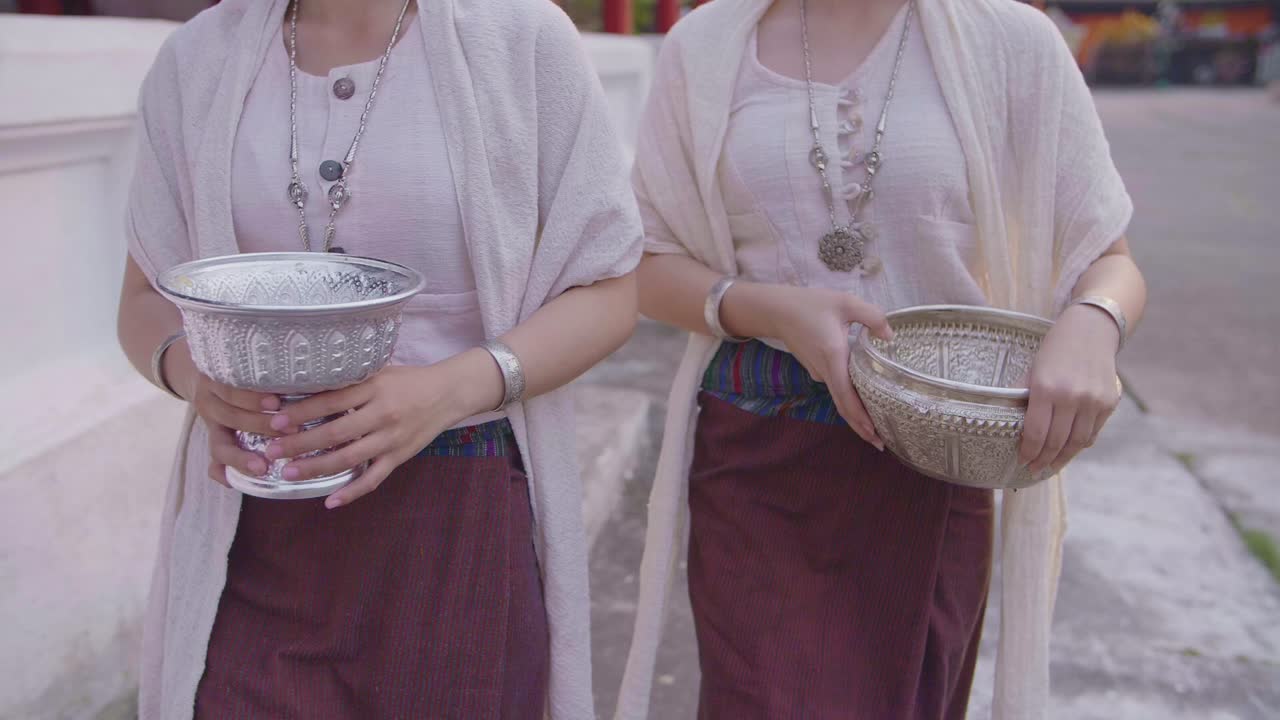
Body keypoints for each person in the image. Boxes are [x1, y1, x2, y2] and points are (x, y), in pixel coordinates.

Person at [616, 0, 1147, 717]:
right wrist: (772, 308)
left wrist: (1093, 321)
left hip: (932, 461)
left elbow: (1108, 260)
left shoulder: (1008, 40)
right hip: (758, 459)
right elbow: (644, 265)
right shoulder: (706, 45)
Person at [115, 0, 643, 717]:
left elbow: (610, 291)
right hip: (258, 517)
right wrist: (196, 377)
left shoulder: (520, 37)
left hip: (460, 515)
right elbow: (146, 296)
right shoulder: (200, 57)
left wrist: (448, 391)